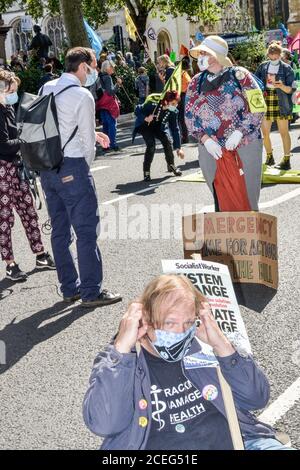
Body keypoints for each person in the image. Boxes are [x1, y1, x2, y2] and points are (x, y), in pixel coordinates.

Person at [83, 274, 295, 450]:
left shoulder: (203, 346)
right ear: (145, 318)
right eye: (170, 322)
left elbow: (256, 398)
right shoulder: (120, 361)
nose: (181, 332)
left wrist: (222, 345)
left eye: (188, 322)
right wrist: (121, 349)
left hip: (239, 443)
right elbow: (104, 424)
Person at [39, 47, 121, 307]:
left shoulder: (46, 88)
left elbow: (55, 127)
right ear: (84, 66)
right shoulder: (82, 94)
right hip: (72, 166)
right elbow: (85, 142)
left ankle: (69, 287)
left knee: (59, 230)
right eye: (93, 66)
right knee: (86, 231)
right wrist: (85, 167)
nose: (94, 72)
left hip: (47, 166)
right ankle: (91, 291)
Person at [185, 35, 265, 212]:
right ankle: (227, 236)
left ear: (216, 55)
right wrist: (205, 139)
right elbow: (189, 116)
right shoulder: (195, 82)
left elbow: (258, 107)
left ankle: (251, 235)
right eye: (200, 53)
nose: (200, 57)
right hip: (211, 147)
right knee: (220, 194)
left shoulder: (240, 76)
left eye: (204, 53)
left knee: (248, 193)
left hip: (246, 143)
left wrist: (239, 132)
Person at [0, 69, 55, 281]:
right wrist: (25, 139)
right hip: (3, 170)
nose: (14, 94)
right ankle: (10, 264)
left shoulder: (8, 109)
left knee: (29, 211)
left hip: (15, 168)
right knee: (5, 219)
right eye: (10, 90)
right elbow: (4, 145)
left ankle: (40, 254)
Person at [255, 42, 296, 170]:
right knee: (265, 132)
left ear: (280, 55)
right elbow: (254, 83)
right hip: (266, 99)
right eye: (271, 57)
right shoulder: (262, 67)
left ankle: (286, 159)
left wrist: (281, 86)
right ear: (268, 55)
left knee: (283, 132)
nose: (273, 59)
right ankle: (269, 157)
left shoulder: (287, 68)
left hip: (281, 100)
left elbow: (291, 89)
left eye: (276, 57)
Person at [133, 91, 184, 181]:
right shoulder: (152, 104)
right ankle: (146, 171)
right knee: (151, 145)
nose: (175, 106)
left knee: (167, 142)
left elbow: (175, 128)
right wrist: (145, 117)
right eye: (173, 103)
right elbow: (137, 109)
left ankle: (171, 165)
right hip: (145, 126)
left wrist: (178, 148)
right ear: (166, 101)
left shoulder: (173, 112)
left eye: (176, 104)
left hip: (159, 127)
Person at [97, 60, 122, 152]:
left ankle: (105, 145)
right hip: (108, 104)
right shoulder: (107, 77)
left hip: (101, 103)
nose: (113, 69)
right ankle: (113, 144)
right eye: (112, 67)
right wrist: (118, 84)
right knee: (112, 124)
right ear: (108, 68)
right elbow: (110, 91)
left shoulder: (99, 76)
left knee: (105, 125)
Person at [178, 58, 192, 143]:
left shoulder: (178, 73)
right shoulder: (184, 73)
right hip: (183, 95)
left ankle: (184, 136)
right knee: (183, 117)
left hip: (178, 95)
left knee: (180, 117)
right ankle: (185, 137)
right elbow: (189, 83)